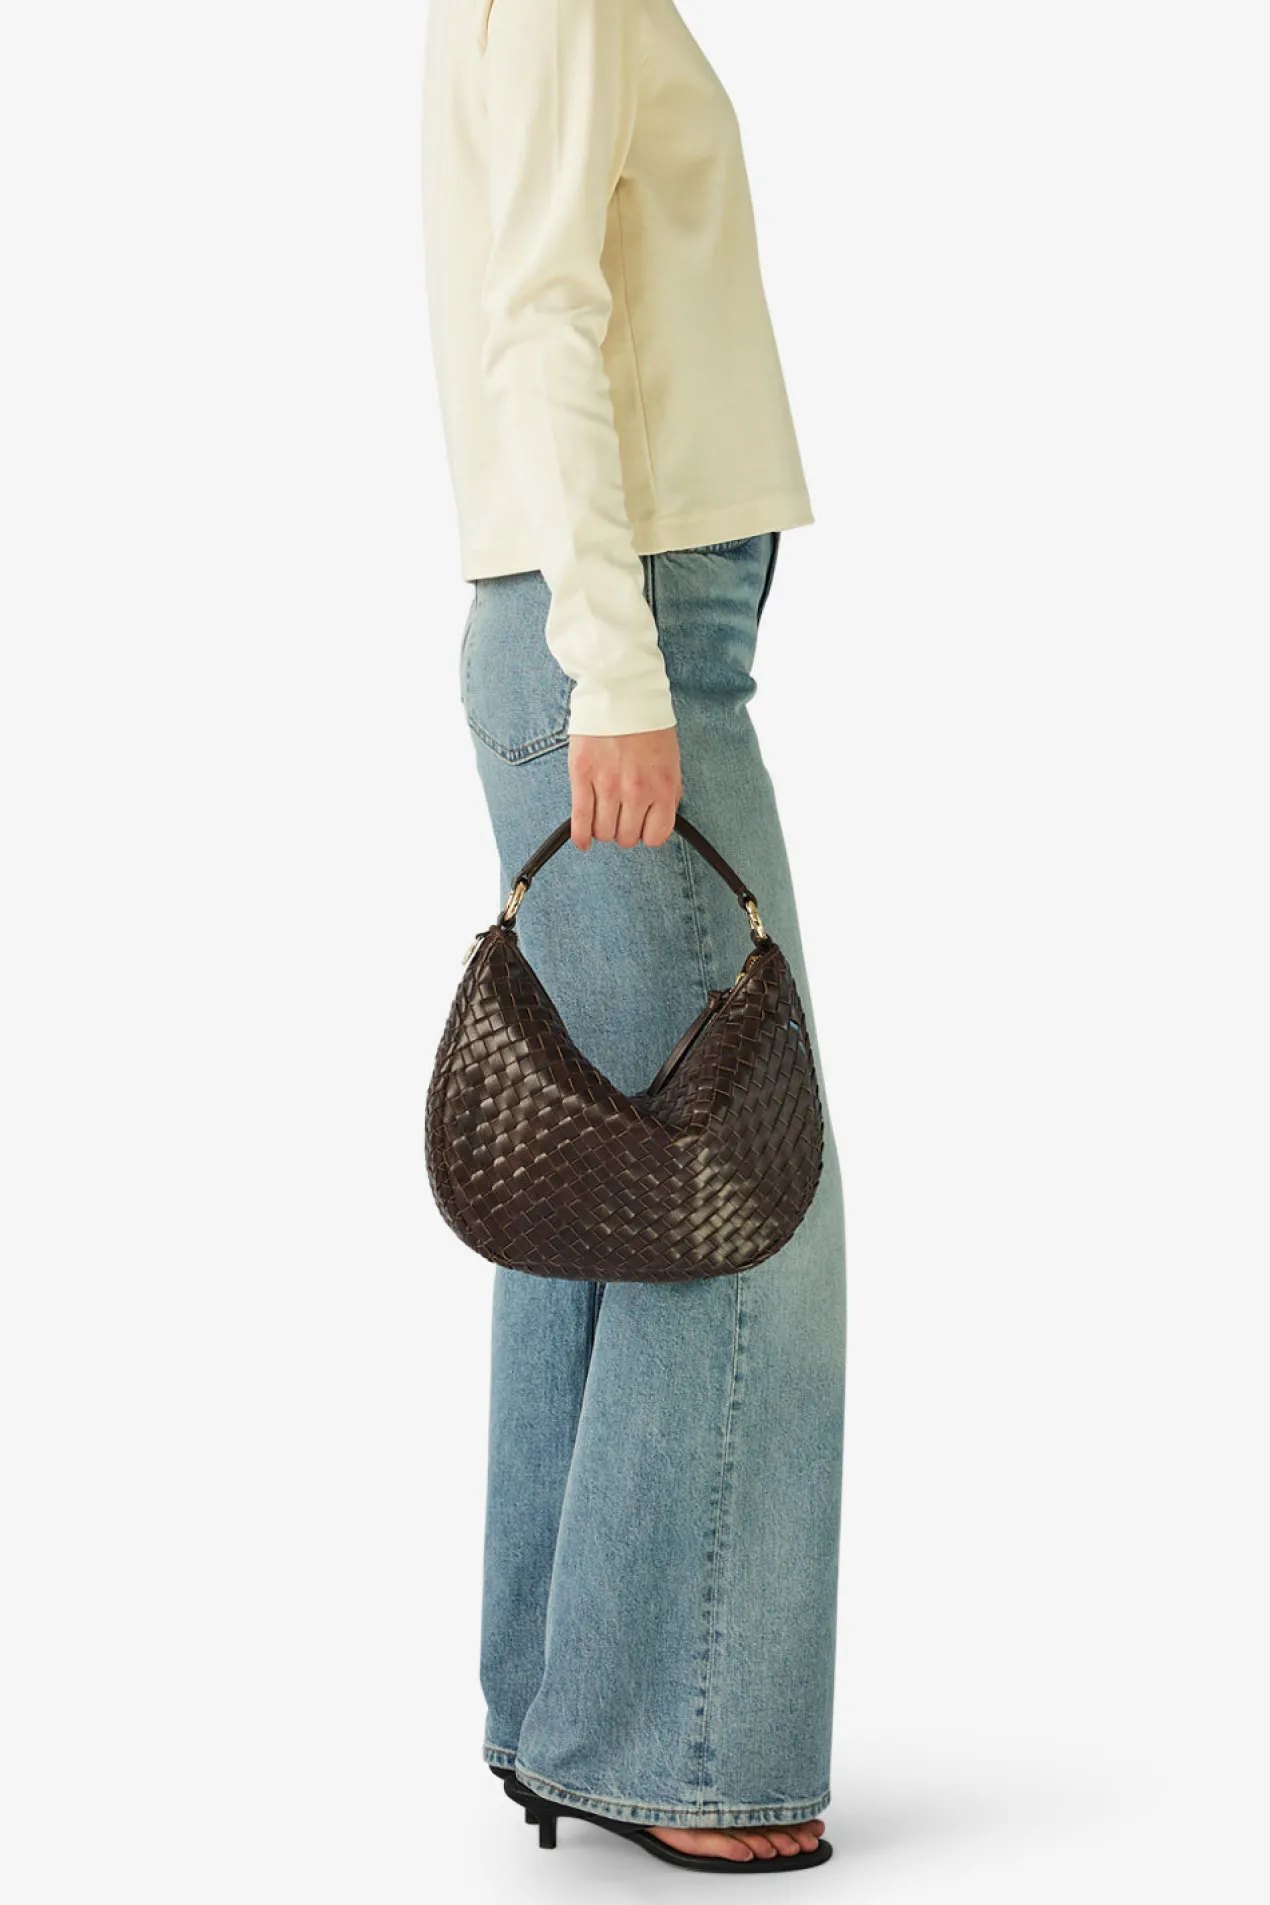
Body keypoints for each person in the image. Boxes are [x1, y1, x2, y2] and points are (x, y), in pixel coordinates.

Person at [422, 0, 846, 1869]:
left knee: (604, 1191)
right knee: (741, 1193)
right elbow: (538, 314)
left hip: (636, 622)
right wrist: (614, 668)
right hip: (627, 636)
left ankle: (575, 1715)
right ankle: (677, 1751)